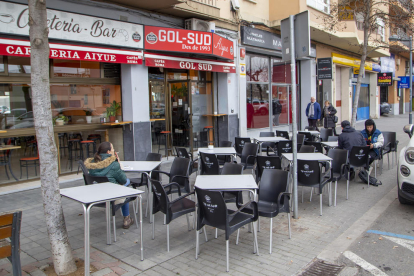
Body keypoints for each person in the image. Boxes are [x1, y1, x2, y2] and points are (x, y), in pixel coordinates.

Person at [84, 142, 134, 229]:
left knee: (124, 185)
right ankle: (127, 218)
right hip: (111, 197)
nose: (114, 150)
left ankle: (127, 217)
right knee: (127, 183)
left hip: (96, 196)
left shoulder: (92, 164)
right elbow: (123, 180)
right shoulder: (114, 164)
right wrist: (118, 164)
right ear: (108, 152)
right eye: (112, 149)